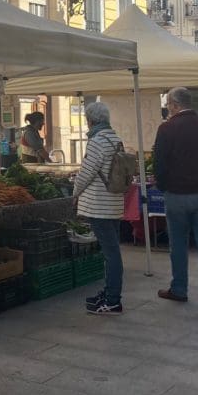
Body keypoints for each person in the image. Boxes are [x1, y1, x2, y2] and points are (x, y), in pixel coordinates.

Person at [153, 87, 198, 312]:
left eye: (168, 105)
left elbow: (159, 164)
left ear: (174, 105)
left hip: (176, 194)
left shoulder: (166, 129)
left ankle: (179, 288)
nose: (168, 109)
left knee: (178, 243)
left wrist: (163, 186)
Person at [72, 103, 126, 315]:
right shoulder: (115, 139)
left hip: (99, 206)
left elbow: (86, 172)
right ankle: (109, 292)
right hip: (113, 203)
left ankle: (113, 300)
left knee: (111, 254)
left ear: (90, 120)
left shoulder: (97, 142)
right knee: (111, 252)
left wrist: (75, 193)